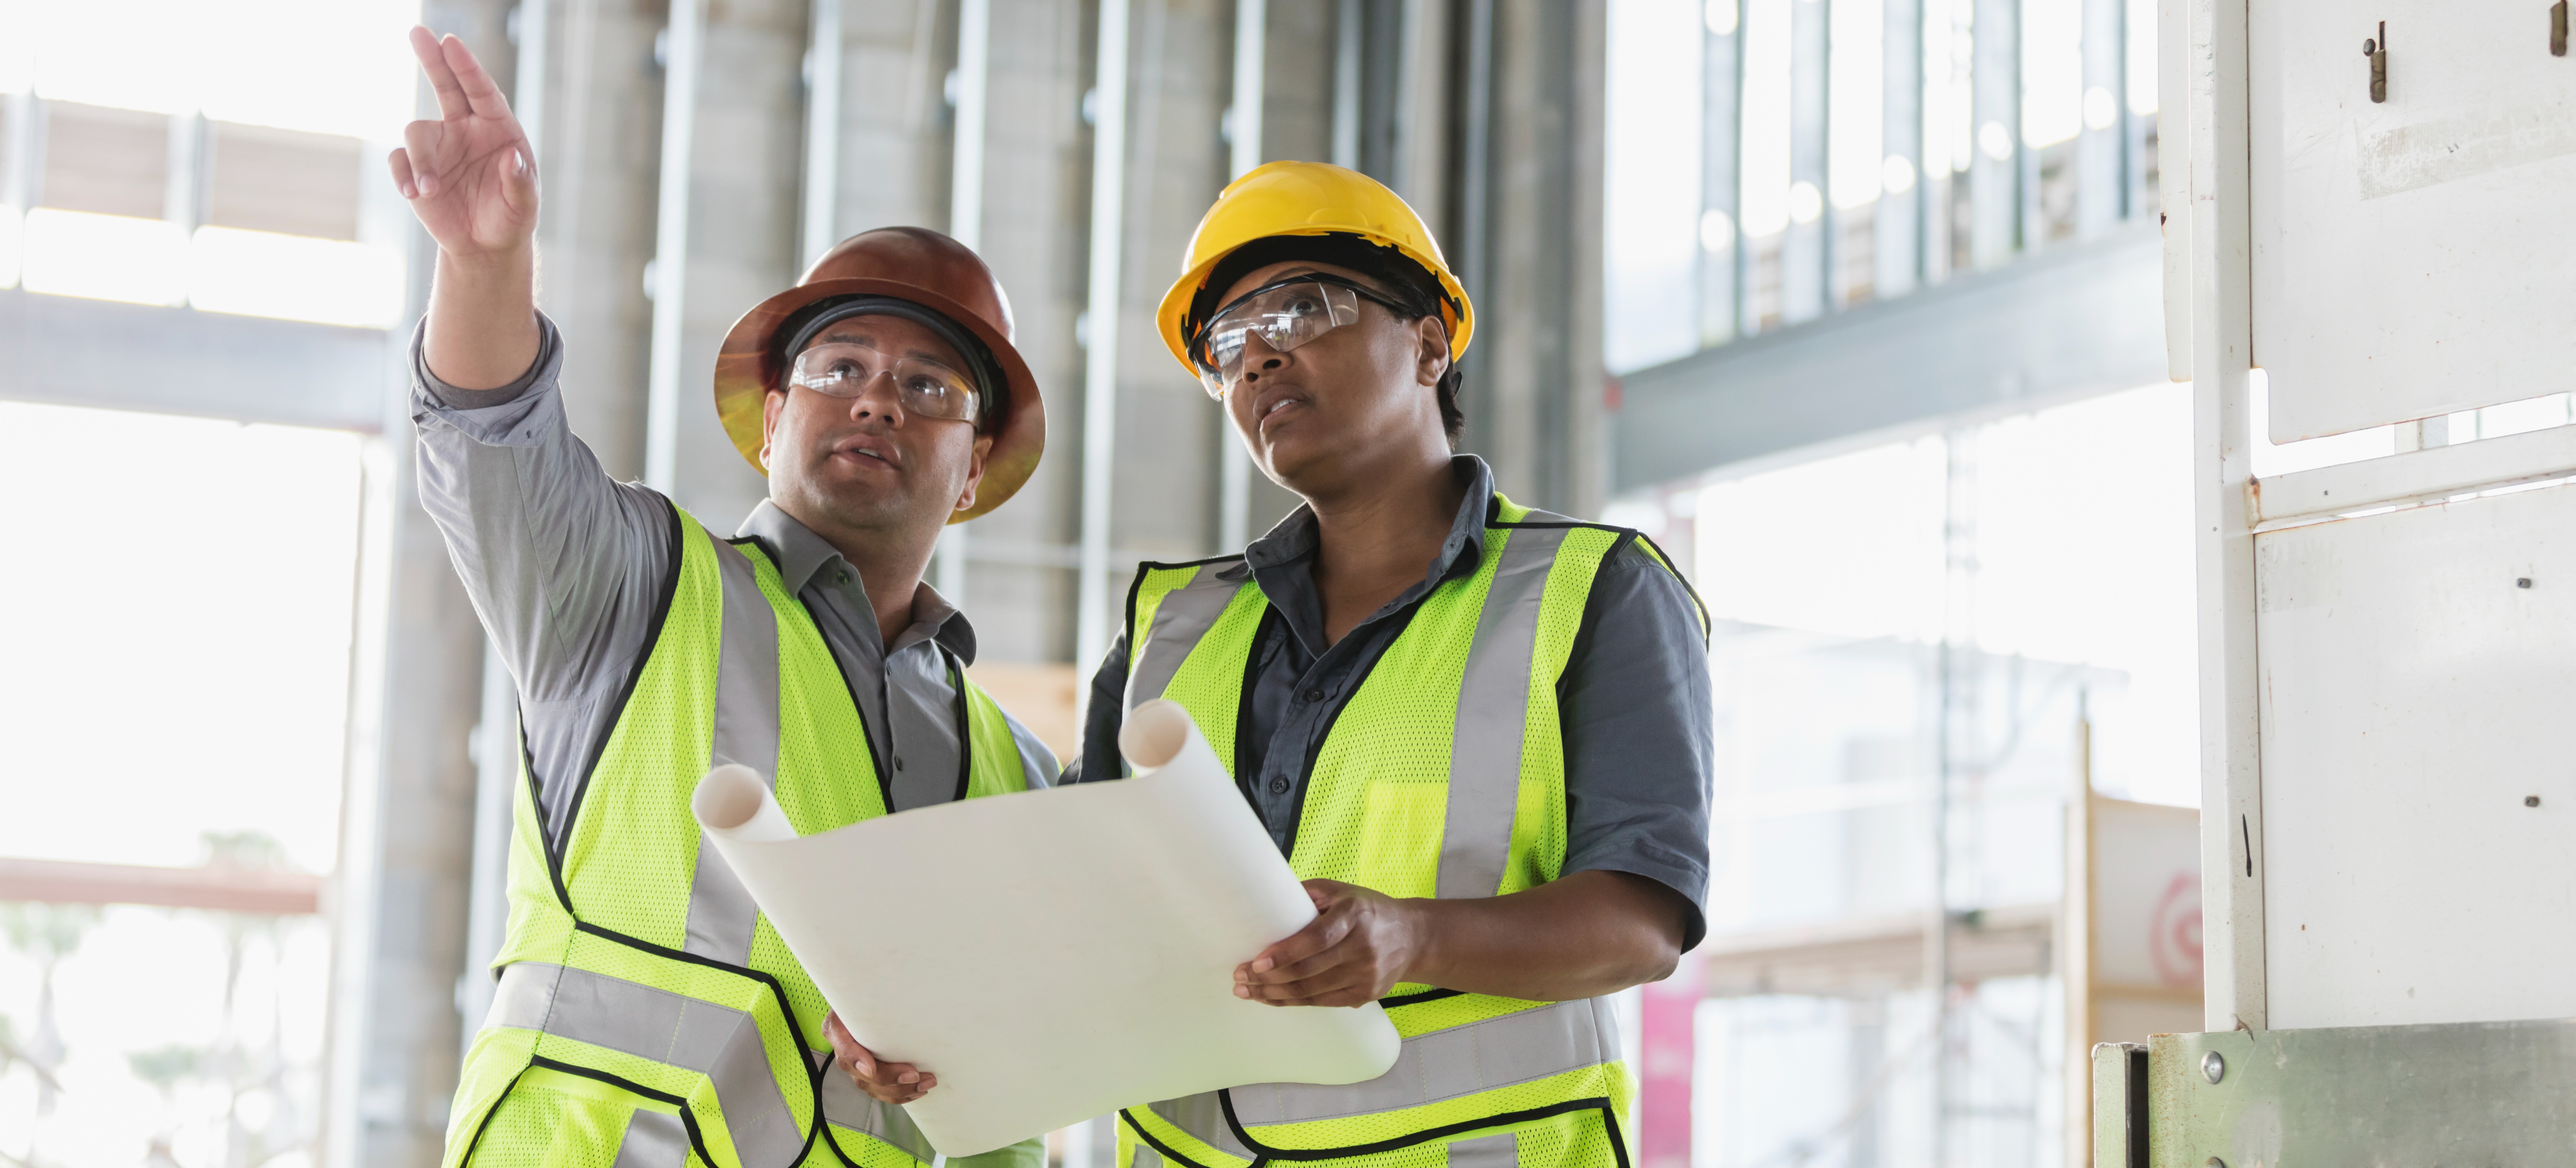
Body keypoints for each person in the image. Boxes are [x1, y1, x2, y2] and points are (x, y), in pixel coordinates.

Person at [389, 28, 1053, 1168]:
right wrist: (485, 264)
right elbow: (493, 438)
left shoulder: (1018, 776)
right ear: (773, 424)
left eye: (926, 386)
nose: (876, 401)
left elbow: (1014, 1089)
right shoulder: (628, 591)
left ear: (977, 464)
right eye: (837, 368)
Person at [1066, 161, 1714, 1168]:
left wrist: (1411, 937)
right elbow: (1076, 903)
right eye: (1227, 343)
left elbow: (1641, 923)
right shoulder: (1171, 628)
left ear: (1425, 345)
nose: (1258, 361)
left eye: (1300, 312)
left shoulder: (1593, 590)